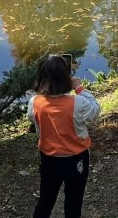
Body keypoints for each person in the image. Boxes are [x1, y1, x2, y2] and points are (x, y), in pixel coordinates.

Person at [28, 54, 101, 218]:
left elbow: (33, 118)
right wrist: (80, 88)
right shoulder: (78, 103)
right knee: (73, 203)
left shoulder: (34, 102)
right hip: (76, 160)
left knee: (45, 201)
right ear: (66, 77)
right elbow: (95, 110)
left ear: (41, 78)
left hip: (48, 160)